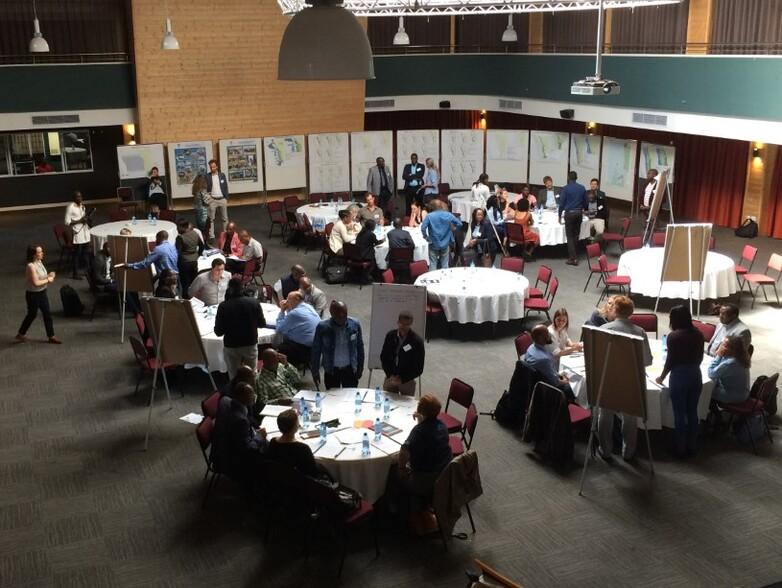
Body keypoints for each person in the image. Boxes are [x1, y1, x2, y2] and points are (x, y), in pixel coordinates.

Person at [598, 295, 653, 462]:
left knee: (605, 416)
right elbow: (647, 360)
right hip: (631, 382)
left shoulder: (605, 329)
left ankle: (605, 449)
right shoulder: (639, 331)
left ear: (615, 310)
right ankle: (628, 452)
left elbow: (599, 358)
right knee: (630, 418)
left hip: (609, 379)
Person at [655, 305, 705, 457]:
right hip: (696, 374)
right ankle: (693, 445)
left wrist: (662, 377)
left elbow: (670, 361)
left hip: (679, 376)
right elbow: (701, 357)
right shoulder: (698, 333)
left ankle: (680, 447)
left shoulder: (674, 336)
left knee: (679, 413)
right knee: (692, 411)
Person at [210, 382, 268, 488]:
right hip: (237, 461)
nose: (254, 395)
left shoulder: (233, 405)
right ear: (242, 397)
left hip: (231, 449)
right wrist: (260, 437)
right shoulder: (240, 420)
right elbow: (248, 448)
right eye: (251, 393)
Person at [396, 395, 453, 496]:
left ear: (420, 409)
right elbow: (430, 434)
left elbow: (403, 452)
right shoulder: (442, 426)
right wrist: (422, 419)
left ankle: (397, 506)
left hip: (423, 481)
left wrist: (401, 469)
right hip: (444, 475)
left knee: (393, 473)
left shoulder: (418, 431)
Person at [214, 278, 266, 378]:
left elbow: (218, 332)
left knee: (233, 375)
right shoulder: (254, 303)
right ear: (243, 288)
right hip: (250, 343)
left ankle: (235, 392)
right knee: (252, 373)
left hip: (232, 345)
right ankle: (252, 392)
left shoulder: (223, 306)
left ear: (229, 289)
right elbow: (262, 324)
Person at [311, 301, 365, 390]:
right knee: (332, 400)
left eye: (345, 315)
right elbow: (316, 350)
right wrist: (315, 371)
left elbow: (360, 347)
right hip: (331, 370)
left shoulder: (355, 325)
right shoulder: (322, 327)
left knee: (350, 398)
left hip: (350, 370)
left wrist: (360, 367)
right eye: (339, 316)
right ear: (332, 314)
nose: (342, 318)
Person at [16, 245, 60, 344]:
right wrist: (48, 280)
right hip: (33, 295)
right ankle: (21, 333)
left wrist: (49, 275)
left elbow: (41, 277)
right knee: (32, 315)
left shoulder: (39, 262)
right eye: (40, 252)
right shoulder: (31, 266)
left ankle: (51, 336)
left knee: (47, 314)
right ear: (34, 255)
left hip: (42, 293)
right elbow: (36, 283)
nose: (42, 253)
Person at [266, 409, 323, 479]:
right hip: (299, 485)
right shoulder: (302, 449)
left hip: (278, 481)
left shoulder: (273, 442)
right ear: (295, 427)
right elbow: (313, 473)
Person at [380, 311, 425, 396]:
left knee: (407, 407)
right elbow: (383, 357)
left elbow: (419, 368)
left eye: (407, 325)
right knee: (387, 403)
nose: (404, 327)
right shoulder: (390, 336)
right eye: (401, 324)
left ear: (411, 324)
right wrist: (390, 375)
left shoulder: (417, 342)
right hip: (390, 378)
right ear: (398, 322)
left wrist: (402, 379)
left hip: (407, 381)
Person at [523, 324, 574, 399]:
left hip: (533, 383)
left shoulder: (531, 347)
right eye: (547, 334)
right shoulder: (544, 359)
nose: (549, 336)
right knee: (573, 387)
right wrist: (567, 381)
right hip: (547, 390)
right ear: (541, 338)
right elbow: (556, 383)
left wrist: (558, 374)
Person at [275, 292, 321, 367]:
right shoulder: (308, 306)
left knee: (279, 347)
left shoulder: (295, 313)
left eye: (288, 299)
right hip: (316, 347)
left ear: (296, 299)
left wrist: (282, 311)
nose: (286, 301)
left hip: (304, 349)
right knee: (287, 334)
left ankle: (287, 369)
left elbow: (279, 329)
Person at [708, 336, 751, 406]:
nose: (720, 346)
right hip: (743, 393)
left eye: (724, 345)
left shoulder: (730, 363)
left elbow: (711, 373)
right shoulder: (740, 357)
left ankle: (706, 412)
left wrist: (719, 355)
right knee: (713, 385)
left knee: (706, 391)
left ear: (732, 349)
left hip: (733, 396)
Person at [421, 199, 461, 270]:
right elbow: (459, 224)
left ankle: (432, 278)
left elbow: (423, 228)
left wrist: (426, 237)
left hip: (433, 242)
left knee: (433, 263)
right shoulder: (448, 215)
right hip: (445, 243)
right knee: (445, 264)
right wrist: (454, 229)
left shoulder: (429, 216)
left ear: (432, 207)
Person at [558, 171, 588, 266]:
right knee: (576, 234)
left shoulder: (565, 189)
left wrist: (559, 215)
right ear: (577, 177)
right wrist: (584, 209)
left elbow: (562, 203)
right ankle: (574, 254)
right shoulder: (582, 188)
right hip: (579, 213)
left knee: (570, 236)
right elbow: (586, 203)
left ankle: (573, 258)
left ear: (568, 178)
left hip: (569, 214)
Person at [64, 191, 91, 279]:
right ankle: (75, 273)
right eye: (77, 197)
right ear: (74, 198)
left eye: (80, 196)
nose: (80, 198)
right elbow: (67, 222)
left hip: (85, 232)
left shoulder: (83, 206)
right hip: (77, 233)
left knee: (86, 253)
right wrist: (80, 221)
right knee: (77, 254)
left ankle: (87, 271)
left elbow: (84, 219)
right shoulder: (70, 207)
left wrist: (87, 220)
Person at [175, 219, 204, 298]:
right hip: (194, 262)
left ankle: (186, 302)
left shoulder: (180, 238)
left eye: (178, 228)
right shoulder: (195, 233)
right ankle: (195, 300)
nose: (177, 229)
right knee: (194, 283)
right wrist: (198, 255)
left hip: (184, 263)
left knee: (185, 284)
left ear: (182, 228)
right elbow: (202, 246)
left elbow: (178, 253)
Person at [204, 158, 229, 241]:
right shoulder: (207, 176)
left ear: (217, 167)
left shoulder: (222, 175)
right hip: (212, 200)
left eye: (214, 167)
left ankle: (226, 233)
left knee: (225, 218)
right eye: (211, 167)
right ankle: (211, 236)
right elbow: (206, 188)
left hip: (222, 199)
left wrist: (226, 198)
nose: (212, 169)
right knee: (211, 219)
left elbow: (225, 186)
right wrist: (208, 197)